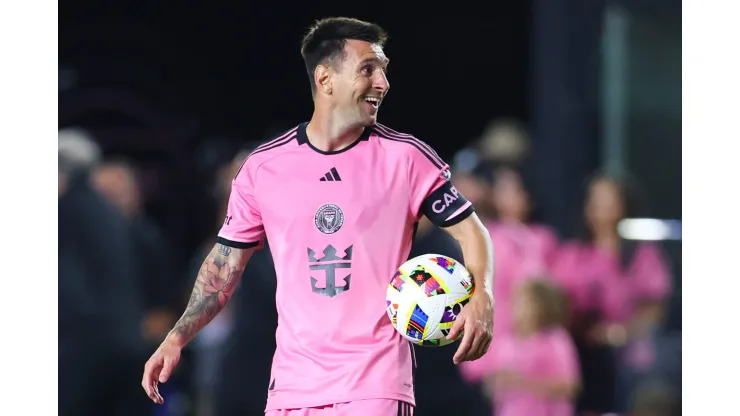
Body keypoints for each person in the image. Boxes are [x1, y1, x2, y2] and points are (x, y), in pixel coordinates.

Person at [141, 17, 496, 416]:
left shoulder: (406, 158)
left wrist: (482, 294)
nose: (383, 83)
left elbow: (472, 232)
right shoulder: (264, 168)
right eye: (368, 69)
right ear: (326, 78)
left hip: (374, 387)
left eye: (383, 70)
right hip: (291, 390)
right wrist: (177, 336)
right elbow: (225, 265)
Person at [481, 279, 580, 416]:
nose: (517, 306)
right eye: (516, 301)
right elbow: (495, 387)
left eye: (525, 302)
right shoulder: (506, 342)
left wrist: (521, 382)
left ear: (541, 307)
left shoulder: (556, 341)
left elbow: (570, 386)